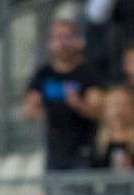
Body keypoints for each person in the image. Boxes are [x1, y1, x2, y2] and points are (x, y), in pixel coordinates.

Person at [24, 20, 106, 172]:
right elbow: (30, 107)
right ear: (50, 42)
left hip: (83, 149)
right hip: (54, 150)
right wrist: (33, 110)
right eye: (58, 38)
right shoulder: (43, 74)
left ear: (76, 41)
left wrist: (78, 104)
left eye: (67, 38)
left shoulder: (88, 73)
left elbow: (98, 110)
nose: (63, 43)